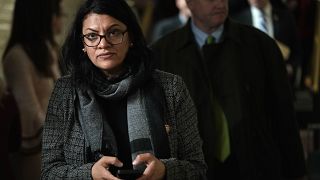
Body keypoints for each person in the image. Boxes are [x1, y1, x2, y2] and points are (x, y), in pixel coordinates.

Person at [41, 0, 207, 179]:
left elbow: (197, 168)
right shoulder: (65, 91)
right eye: (92, 36)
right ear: (82, 44)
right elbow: (49, 172)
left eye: (114, 32)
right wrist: (90, 174)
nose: (103, 44)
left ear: (131, 37)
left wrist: (165, 171)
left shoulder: (171, 87)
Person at [151, 0, 307, 179]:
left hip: (255, 166)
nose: (219, 3)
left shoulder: (261, 45)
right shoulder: (162, 53)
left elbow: (284, 114)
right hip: (193, 170)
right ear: (190, 3)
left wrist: (296, 172)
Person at [2, 0, 61, 179]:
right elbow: (29, 109)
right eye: (56, 13)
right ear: (41, 17)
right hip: (35, 147)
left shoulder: (46, 49)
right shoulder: (17, 56)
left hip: (51, 139)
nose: (60, 19)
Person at [233, 0, 302, 89]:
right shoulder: (237, 21)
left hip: (280, 87)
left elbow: (297, 51)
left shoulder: (286, 17)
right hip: (249, 89)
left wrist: (290, 68)